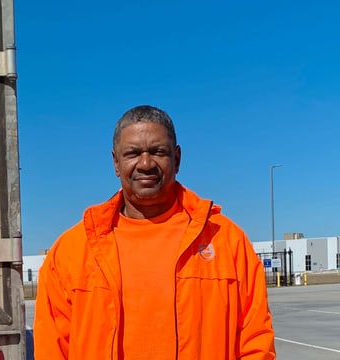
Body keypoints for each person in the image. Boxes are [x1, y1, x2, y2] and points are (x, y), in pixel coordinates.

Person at [33, 105, 275, 359]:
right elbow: (52, 348)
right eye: (133, 153)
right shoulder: (71, 250)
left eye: (158, 152)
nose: (146, 163)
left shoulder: (226, 240)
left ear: (177, 159)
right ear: (116, 162)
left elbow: (256, 340)